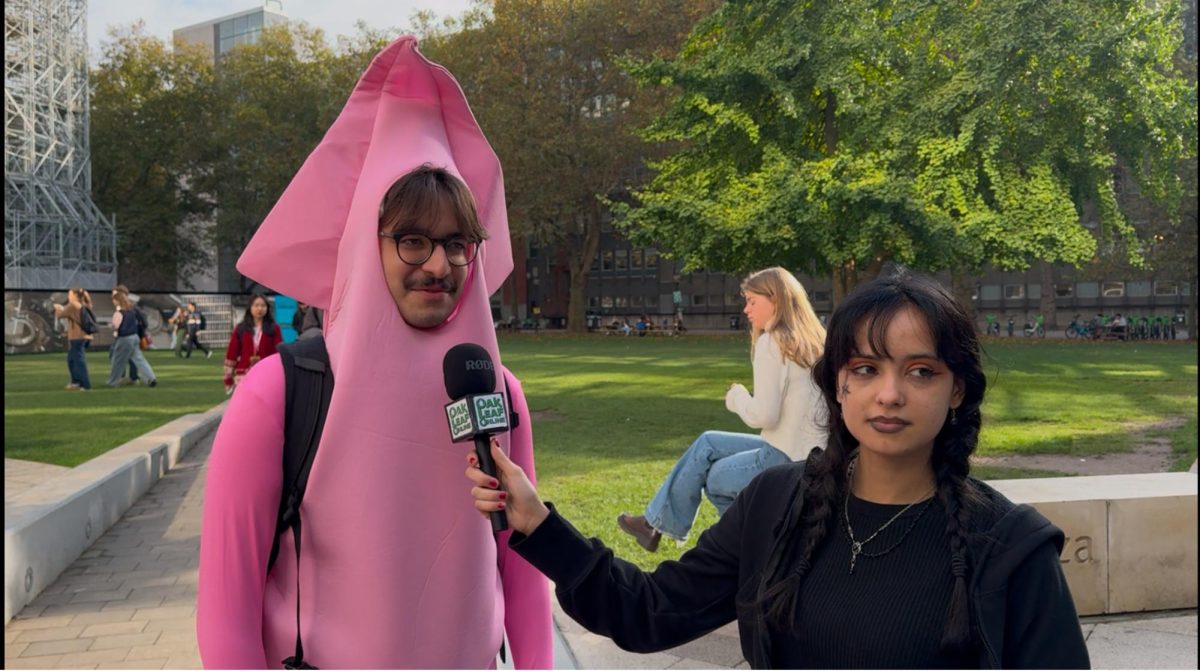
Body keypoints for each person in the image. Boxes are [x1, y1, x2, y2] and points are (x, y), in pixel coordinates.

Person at [466, 271, 1090, 668]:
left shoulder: (1009, 551)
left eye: (920, 371)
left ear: (957, 389)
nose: (889, 394)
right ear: (838, 386)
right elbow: (650, 611)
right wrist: (540, 525)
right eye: (866, 370)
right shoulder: (775, 506)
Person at [197, 37, 552, 669]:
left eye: (457, 242)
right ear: (369, 242)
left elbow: (522, 572)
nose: (440, 265)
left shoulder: (499, 395)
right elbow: (226, 617)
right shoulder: (275, 397)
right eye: (412, 240)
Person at [617, 267, 827, 551]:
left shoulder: (772, 341)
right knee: (707, 442)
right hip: (809, 455)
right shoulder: (815, 341)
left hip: (784, 458)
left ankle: (750, 547)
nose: (746, 309)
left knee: (715, 479)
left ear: (775, 299)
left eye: (753, 301)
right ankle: (655, 525)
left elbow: (763, 416)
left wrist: (737, 397)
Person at [222, 294, 283, 394]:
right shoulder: (241, 328)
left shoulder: (274, 328)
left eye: (263, 306)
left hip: (267, 375)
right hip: (244, 375)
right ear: (250, 308)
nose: (260, 308)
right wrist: (228, 378)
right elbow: (232, 353)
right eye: (256, 305)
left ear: (267, 308)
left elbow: (279, 353)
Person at [107, 288, 157, 388]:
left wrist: (110, 326)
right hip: (134, 337)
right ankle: (151, 378)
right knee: (139, 359)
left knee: (118, 361)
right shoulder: (131, 311)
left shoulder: (119, 313)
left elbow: (115, 326)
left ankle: (113, 382)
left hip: (124, 338)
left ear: (117, 301)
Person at [53, 288, 94, 391]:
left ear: (75, 295)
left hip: (78, 337)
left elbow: (60, 315)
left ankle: (85, 384)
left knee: (79, 361)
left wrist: (57, 308)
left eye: (70, 294)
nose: (68, 296)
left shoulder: (74, 305)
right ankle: (75, 381)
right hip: (83, 336)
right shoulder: (83, 305)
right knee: (72, 360)